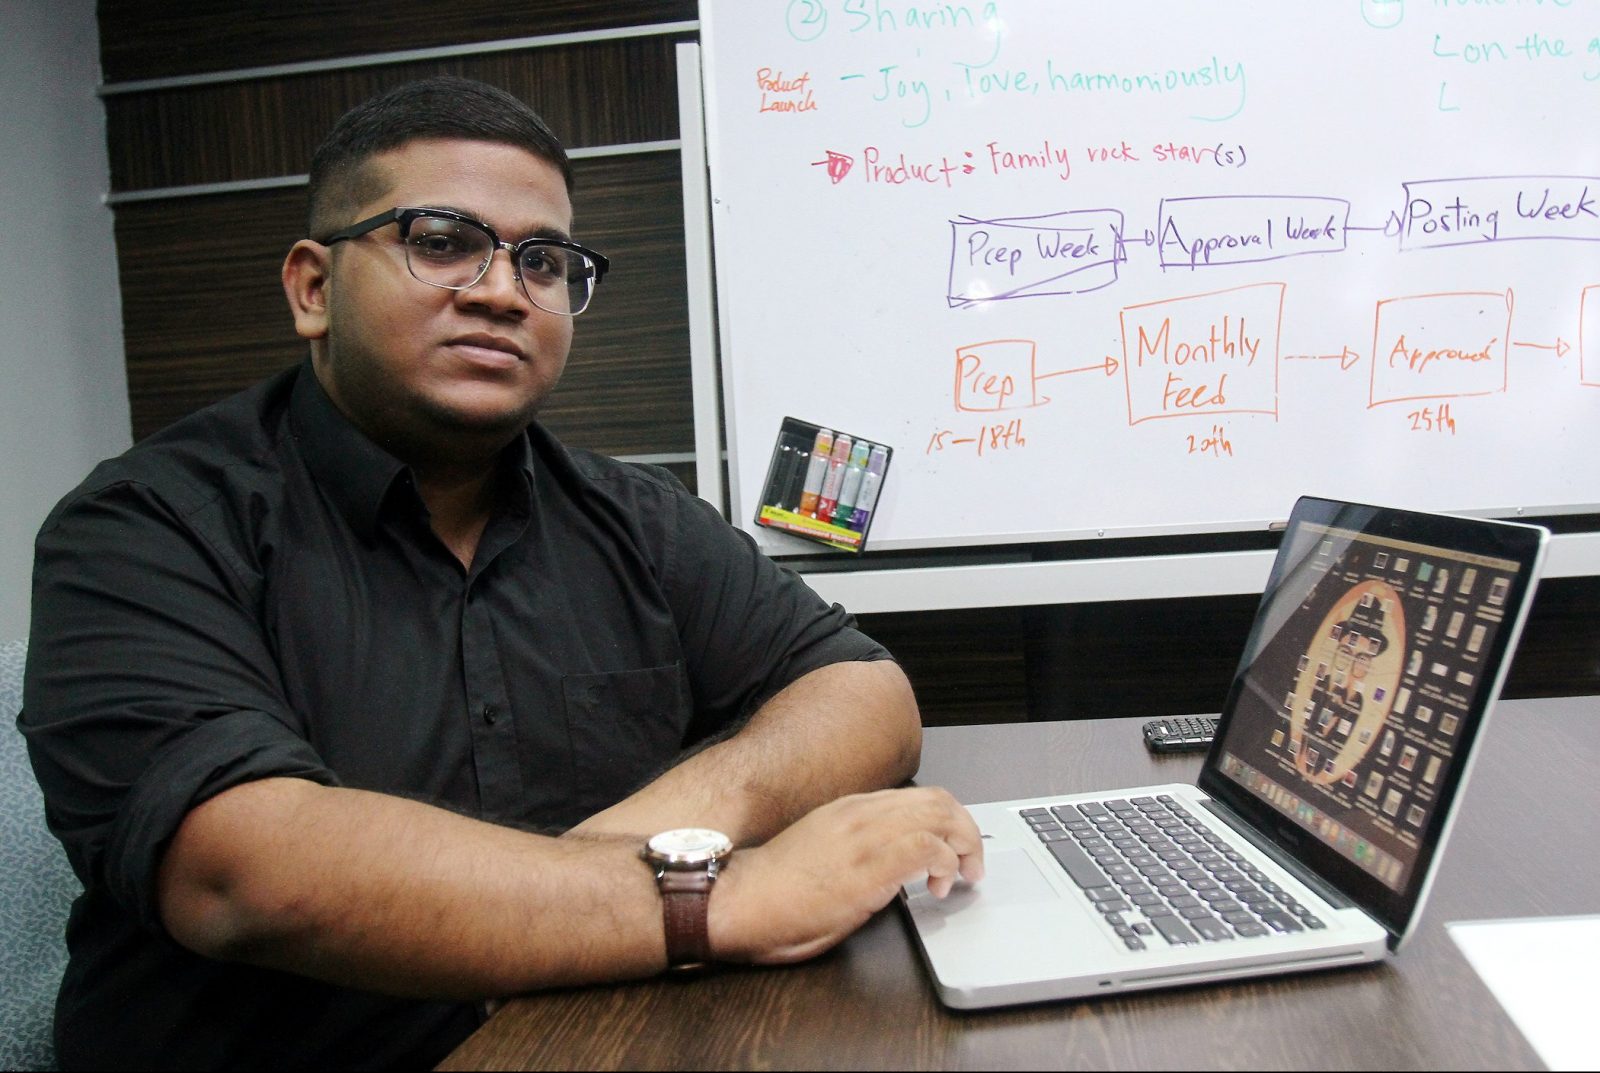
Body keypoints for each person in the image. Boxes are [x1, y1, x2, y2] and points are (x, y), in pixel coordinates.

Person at [19, 76, 983, 1070]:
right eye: (441, 241)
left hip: (602, 1040)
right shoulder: (143, 527)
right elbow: (244, 870)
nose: (501, 291)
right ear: (313, 288)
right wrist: (713, 897)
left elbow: (862, 691)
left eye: (543, 260)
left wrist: (657, 841)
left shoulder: (635, 515)